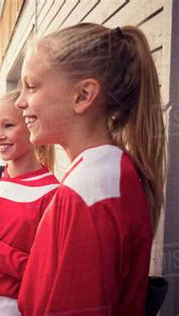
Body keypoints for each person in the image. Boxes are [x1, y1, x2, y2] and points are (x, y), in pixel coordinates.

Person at [14, 23, 165, 315]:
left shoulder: (86, 192)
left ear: (83, 95)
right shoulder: (109, 170)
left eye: (31, 86)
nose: (20, 101)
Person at [0, 90, 59, 315]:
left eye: (8, 126)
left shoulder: (52, 192)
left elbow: (46, 273)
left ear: (31, 125)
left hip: (15, 304)